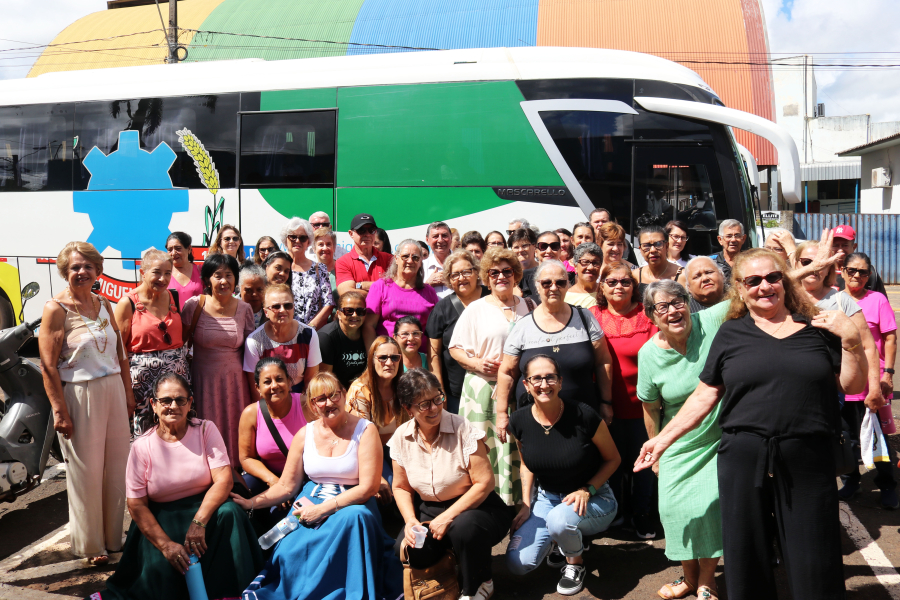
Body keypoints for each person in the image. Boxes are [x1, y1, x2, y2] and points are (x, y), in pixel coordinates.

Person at [635, 248, 867, 600]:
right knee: (747, 555)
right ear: (740, 289)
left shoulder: (817, 329)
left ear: (784, 283)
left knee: (814, 554)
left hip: (807, 457)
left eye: (773, 278)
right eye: (753, 280)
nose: (764, 287)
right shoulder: (729, 334)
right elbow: (703, 395)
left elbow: (852, 386)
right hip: (744, 457)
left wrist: (851, 341)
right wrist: (662, 440)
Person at [231, 372, 403, 600]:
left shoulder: (366, 430)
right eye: (320, 399)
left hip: (353, 504)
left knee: (356, 518)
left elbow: (369, 488)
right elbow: (286, 486)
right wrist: (251, 502)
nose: (329, 402)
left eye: (334, 395)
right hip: (310, 501)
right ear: (313, 405)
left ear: (343, 395)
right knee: (290, 551)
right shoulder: (305, 434)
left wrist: (322, 510)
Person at [97, 373, 262, 599]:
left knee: (231, 513)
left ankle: (234, 591)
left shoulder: (206, 430)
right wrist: (166, 546)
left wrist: (199, 522)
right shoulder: (141, 446)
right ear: (154, 405)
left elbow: (223, 480)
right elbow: (136, 504)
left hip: (204, 509)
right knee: (162, 571)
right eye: (165, 401)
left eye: (180, 400)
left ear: (190, 403)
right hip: (162, 518)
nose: (173, 406)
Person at [39, 241, 133, 565]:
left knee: (116, 468)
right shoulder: (56, 309)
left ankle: (113, 537)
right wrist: (59, 411)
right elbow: (48, 365)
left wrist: (128, 392)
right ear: (65, 272)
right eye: (74, 267)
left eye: (87, 266)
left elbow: (120, 353)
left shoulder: (103, 302)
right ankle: (91, 545)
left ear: (98, 271)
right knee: (86, 472)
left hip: (114, 391)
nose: (81, 272)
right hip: (80, 392)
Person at [389, 369, 512, 600]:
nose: (434, 408)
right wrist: (411, 521)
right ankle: (454, 566)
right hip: (430, 509)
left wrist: (448, 517)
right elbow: (401, 487)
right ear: (408, 409)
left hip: (479, 508)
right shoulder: (400, 437)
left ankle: (479, 584)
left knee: (463, 528)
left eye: (438, 398)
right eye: (424, 404)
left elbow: (484, 483)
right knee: (406, 550)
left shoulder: (462, 428)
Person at [505, 355, 620, 596]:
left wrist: (587, 489)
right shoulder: (518, 420)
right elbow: (527, 465)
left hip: (595, 497)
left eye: (550, 377)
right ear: (526, 384)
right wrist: (526, 504)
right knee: (518, 563)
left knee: (560, 520)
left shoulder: (583, 414)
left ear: (560, 382)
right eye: (536, 378)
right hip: (547, 498)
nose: (543, 384)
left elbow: (613, 459)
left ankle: (574, 563)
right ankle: (563, 539)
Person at [449, 247, 532, 505]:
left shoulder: (529, 306)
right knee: (483, 447)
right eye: (494, 272)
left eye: (507, 271)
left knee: (516, 447)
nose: (500, 277)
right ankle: (484, 502)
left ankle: (517, 501)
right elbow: (454, 348)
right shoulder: (476, 308)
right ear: (486, 276)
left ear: (516, 274)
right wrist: (475, 362)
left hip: (519, 389)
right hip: (482, 389)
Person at [496, 259, 612, 428]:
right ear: (537, 286)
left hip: (582, 416)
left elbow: (603, 362)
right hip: (534, 420)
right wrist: (501, 413)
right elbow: (507, 372)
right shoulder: (523, 326)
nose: (553, 288)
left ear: (568, 285)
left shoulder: (585, 318)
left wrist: (606, 402)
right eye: (546, 283)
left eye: (560, 282)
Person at [590, 262, 659, 537]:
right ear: (602, 286)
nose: (619, 286)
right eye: (612, 281)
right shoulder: (591, 316)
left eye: (625, 281)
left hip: (645, 405)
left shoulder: (648, 315)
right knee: (612, 461)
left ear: (634, 286)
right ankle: (615, 512)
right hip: (606, 404)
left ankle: (642, 514)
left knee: (642, 462)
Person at [795, 240, 884, 415]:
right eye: (807, 262)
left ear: (830, 268)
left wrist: (874, 388)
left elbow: (867, 345)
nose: (814, 268)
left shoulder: (841, 301)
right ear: (797, 263)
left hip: (829, 392)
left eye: (822, 263)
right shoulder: (781, 298)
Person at [182, 253, 255, 467]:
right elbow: (181, 345)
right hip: (203, 381)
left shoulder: (244, 309)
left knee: (235, 425)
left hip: (236, 384)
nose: (224, 281)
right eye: (217, 275)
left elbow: (251, 351)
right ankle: (206, 472)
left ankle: (237, 471)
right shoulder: (194, 306)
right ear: (207, 279)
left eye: (229, 275)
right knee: (205, 425)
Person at [839, 252, 898, 508]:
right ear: (842, 270)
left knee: (879, 437)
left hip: (873, 384)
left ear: (869, 275)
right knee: (847, 438)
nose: (857, 276)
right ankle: (851, 481)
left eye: (863, 272)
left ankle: (887, 485)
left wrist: (888, 373)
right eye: (852, 270)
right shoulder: (833, 299)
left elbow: (890, 338)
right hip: (842, 383)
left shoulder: (878, 300)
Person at [114, 249, 189, 433]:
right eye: (156, 272)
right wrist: (127, 392)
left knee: (176, 433)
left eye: (167, 273)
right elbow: (118, 351)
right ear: (142, 272)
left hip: (176, 382)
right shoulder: (128, 303)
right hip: (142, 387)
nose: (162, 279)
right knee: (147, 435)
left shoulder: (174, 297)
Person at [238, 357, 315, 531]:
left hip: (304, 476)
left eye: (279, 379)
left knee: (284, 517)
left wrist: (287, 486)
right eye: (267, 381)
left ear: (289, 382)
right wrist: (274, 481)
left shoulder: (306, 406)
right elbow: (246, 458)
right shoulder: (251, 413)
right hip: (268, 476)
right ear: (257, 388)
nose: (274, 385)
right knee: (244, 491)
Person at [425, 250, 490, 414]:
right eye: (455, 275)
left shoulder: (493, 298)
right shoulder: (442, 308)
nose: (461, 278)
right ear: (449, 279)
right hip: (456, 393)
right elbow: (433, 354)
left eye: (467, 272)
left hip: (494, 385)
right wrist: (439, 391)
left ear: (476, 272)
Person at [347, 336, 407, 504]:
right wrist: (378, 477)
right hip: (368, 453)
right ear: (372, 360)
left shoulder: (403, 386)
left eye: (395, 357)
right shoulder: (360, 391)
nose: (389, 363)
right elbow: (356, 441)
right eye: (383, 357)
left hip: (396, 449)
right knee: (392, 490)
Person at [243, 283, 321, 401]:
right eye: (276, 306)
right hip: (269, 400)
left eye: (288, 305)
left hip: (301, 398)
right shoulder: (255, 341)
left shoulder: (309, 334)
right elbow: (256, 389)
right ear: (266, 312)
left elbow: (311, 381)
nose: (283, 310)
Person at [363, 239, 439, 350]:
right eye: (405, 256)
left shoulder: (429, 292)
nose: (410, 261)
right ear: (396, 259)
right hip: (388, 357)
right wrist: (374, 355)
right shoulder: (380, 287)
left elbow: (434, 331)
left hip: (420, 357)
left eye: (415, 258)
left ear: (420, 262)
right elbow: (368, 326)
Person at [283, 217, 333, 328]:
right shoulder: (280, 269)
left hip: (312, 333)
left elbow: (328, 303)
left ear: (308, 241)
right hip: (284, 331)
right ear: (285, 240)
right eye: (293, 237)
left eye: (302, 238)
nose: (297, 241)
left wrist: (310, 328)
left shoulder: (319, 268)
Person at [336, 213, 394, 298]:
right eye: (361, 230)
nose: (367, 234)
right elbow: (347, 293)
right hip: (358, 311)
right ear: (351, 234)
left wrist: (360, 285)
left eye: (371, 230)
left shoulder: (389, 259)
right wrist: (381, 291)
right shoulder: (342, 262)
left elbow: (397, 289)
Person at [318, 291, 368, 389]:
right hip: (336, 391)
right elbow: (326, 379)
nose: (355, 315)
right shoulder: (326, 337)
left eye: (360, 311)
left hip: (362, 388)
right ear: (339, 314)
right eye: (349, 311)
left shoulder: (368, 333)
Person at [831, 224, 888, 296]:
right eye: (835, 245)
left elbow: (881, 303)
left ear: (854, 247)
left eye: (845, 245)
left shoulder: (866, 273)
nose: (840, 250)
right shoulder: (822, 272)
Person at [518, 231, 575, 302]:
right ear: (536, 252)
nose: (548, 251)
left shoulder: (571, 278)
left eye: (554, 246)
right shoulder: (524, 277)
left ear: (560, 251)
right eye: (543, 246)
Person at [635, 225, 683, 300]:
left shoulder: (682, 276)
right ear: (640, 249)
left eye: (658, 244)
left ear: (667, 246)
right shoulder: (635, 277)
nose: (653, 250)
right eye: (646, 245)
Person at [166, 232, 203, 311]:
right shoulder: (164, 274)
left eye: (178, 248)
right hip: (173, 322)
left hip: (200, 322)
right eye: (170, 250)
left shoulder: (201, 270)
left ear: (189, 249)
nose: (173, 253)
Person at [565, 243, 603, 309]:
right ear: (575, 266)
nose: (590, 267)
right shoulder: (565, 297)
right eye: (585, 262)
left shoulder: (605, 292)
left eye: (595, 262)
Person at [422, 221, 454, 298]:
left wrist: (452, 281)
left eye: (444, 235)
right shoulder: (421, 266)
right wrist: (427, 284)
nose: (440, 240)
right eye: (435, 236)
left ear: (451, 238)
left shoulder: (463, 263)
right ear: (427, 240)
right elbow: (412, 296)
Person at [239, 263, 267, 327]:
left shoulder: (272, 309)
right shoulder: (232, 310)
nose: (254, 294)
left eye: (259, 290)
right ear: (240, 288)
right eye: (249, 290)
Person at [312, 227, 338, 297]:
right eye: (321, 244)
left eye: (328, 244)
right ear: (314, 248)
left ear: (334, 247)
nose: (325, 248)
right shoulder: (310, 272)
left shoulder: (342, 269)